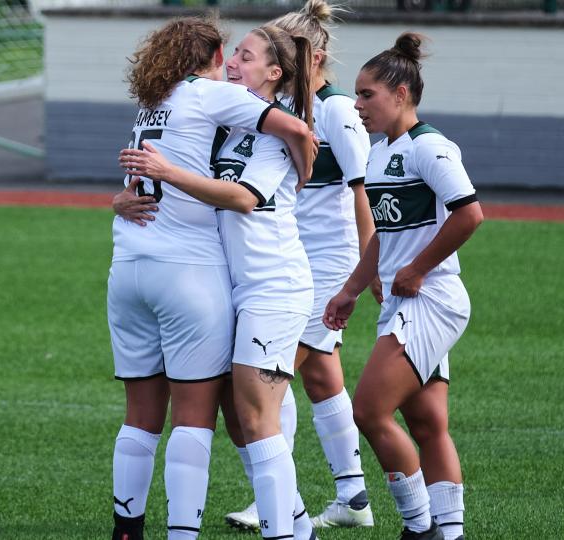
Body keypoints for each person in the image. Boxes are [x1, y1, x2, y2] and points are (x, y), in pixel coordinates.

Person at [107, 17, 314, 540]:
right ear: (213, 55)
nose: (234, 65)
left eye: (247, 56)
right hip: (192, 274)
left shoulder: (157, 102)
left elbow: (285, 138)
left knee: (150, 416)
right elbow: (290, 127)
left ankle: (128, 531)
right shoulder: (211, 98)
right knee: (203, 415)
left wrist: (124, 197)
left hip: (134, 266)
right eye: (232, 55)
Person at [221, 0, 378, 532]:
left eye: (292, 56)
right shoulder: (284, 111)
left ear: (316, 57)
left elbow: (362, 194)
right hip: (297, 256)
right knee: (317, 373)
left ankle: (276, 499)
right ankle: (353, 496)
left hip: (327, 261)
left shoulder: (334, 110)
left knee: (275, 375)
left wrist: (363, 274)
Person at [324, 32, 483, 540]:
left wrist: (417, 268)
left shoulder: (429, 146)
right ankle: (450, 533)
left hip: (430, 299)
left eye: (367, 94)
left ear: (400, 93)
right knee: (428, 425)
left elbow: (470, 214)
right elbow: (384, 239)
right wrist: (352, 289)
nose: (357, 103)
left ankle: (419, 527)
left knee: (368, 409)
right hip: (403, 300)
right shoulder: (378, 153)